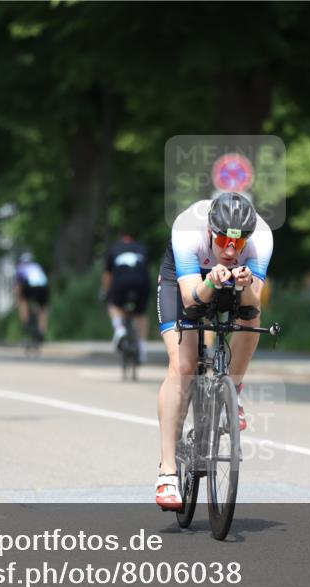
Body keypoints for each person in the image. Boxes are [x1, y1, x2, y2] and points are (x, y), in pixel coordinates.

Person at [154, 192, 273, 510]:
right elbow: (193, 300)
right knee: (184, 365)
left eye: (239, 243)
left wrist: (247, 284)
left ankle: (232, 389)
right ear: (209, 231)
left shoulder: (261, 238)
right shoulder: (187, 230)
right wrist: (212, 280)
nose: (231, 250)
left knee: (251, 319)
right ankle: (167, 472)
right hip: (185, 283)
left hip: (232, 283)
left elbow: (254, 303)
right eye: (222, 240)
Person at [102, 232, 151, 362]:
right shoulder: (141, 248)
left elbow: (108, 276)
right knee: (141, 314)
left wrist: (106, 292)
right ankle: (142, 348)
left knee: (113, 304)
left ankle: (119, 329)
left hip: (121, 282)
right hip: (141, 282)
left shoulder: (114, 249)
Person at [15, 251, 49, 344]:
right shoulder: (38, 266)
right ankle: (42, 331)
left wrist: (18, 300)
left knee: (23, 301)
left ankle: (25, 322)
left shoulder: (20, 268)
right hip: (43, 287)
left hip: (29, 286)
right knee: (43, 308)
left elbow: (19, 286)